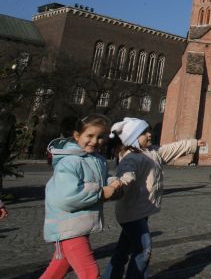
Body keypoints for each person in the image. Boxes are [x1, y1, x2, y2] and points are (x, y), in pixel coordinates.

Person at [103, 118, 200, 279]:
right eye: (144, 133)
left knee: (123, 250)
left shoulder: (152, 152)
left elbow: (171, 149)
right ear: (133, 138)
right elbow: (126, 175)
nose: (150, 134)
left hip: (140, 210)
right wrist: (118, 184)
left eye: (148, 131)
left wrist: (193, 144)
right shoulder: (130, 157)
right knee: (143, 248)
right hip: (131, 212)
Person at [41, 114, 122, 279]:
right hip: (67, 226)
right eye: (90, 136)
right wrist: (100, 192)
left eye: (100, 137)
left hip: (78, 225)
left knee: (59, 266)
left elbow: (103, 178)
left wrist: (113, 183)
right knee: (90, 273)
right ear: (77, 136)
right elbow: (68, 197)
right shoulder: (69, 162)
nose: (94, 141)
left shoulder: (98, 160)